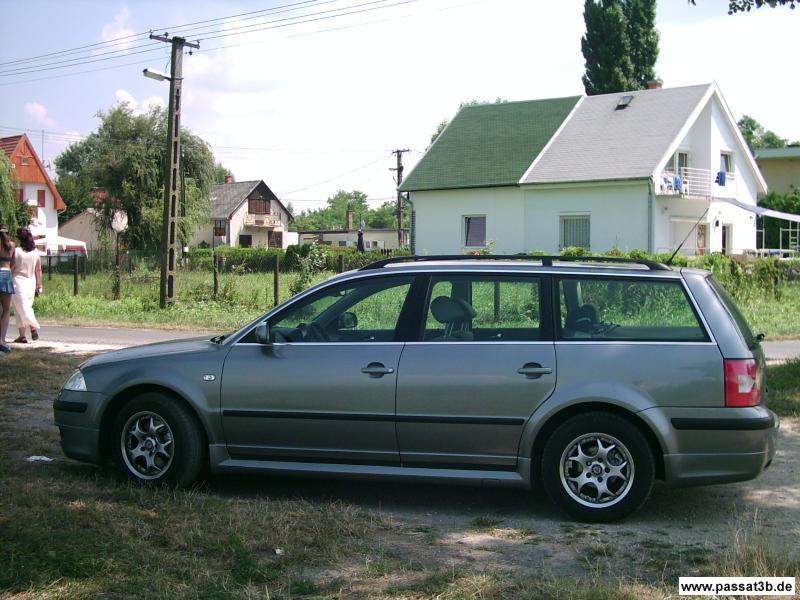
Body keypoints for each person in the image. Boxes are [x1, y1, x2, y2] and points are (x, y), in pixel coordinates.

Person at [11, 227, 42, 344]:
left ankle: (33, 326)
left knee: (22, 307)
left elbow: (12, 267)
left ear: (19, 239)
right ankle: (22, 336)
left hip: (18, 281)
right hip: (31, 281)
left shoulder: (17, 251)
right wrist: (39, 284)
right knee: (23, 307)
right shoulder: (35, 252)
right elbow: (38, 270)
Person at [0, 225, 15, 353]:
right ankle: (2, 340)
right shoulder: (12, 245)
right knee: (6, 310)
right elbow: (13, 264)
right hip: (6, 275)